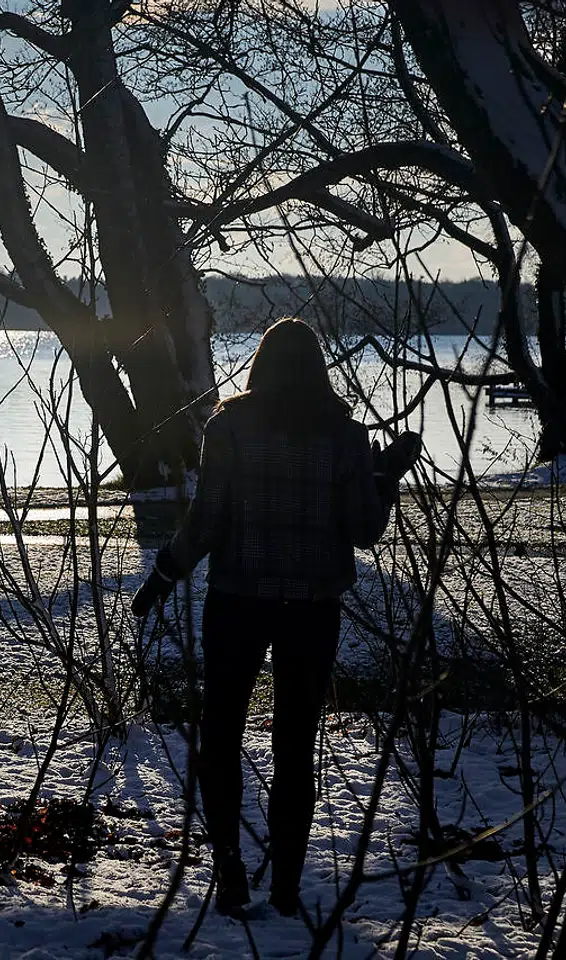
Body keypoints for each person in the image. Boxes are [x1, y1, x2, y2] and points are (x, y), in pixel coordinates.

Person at [131, 319, 420, 917]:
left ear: (260, 367)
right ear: (317, 369)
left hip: (236, 603)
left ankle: (230, 867)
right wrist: (384, 477)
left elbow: (207, 521)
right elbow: (365, 532)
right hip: (312, 612)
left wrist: (165, 574)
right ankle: (286, 882)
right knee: (295, 745)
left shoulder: (229, 427)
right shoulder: (344, 435)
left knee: (222, 738)